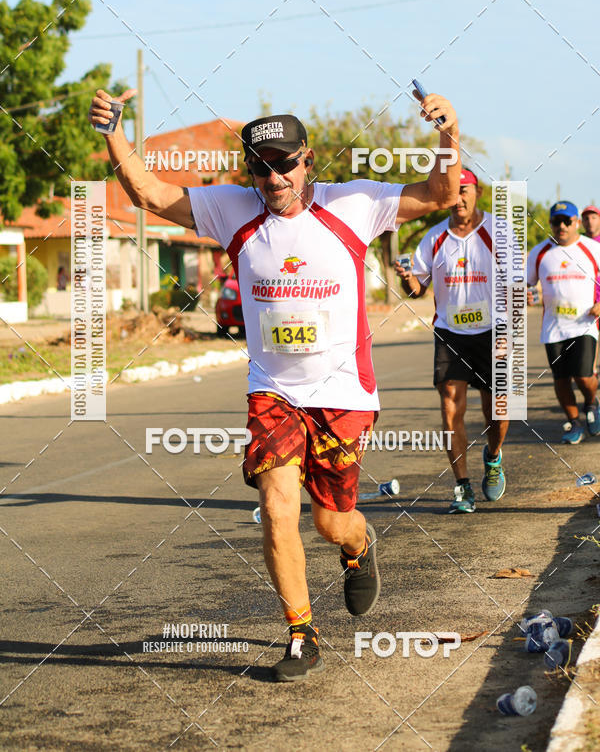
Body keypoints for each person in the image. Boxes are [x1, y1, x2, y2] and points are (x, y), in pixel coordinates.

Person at [89, 86, 460, 681]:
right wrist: (113, 132)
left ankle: (358, 544)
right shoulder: (232, 208)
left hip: (342, 394)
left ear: (307, 158)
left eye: (285, 163)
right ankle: (300, 633)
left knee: (329, 520)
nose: (274, 177)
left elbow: (441, 192)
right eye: (261, 167)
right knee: (276, 503)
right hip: (274, 391)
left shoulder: (355, 203)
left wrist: (447, 134)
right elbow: (151, 194)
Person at [394, 168, 510, 514]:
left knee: (498, 412)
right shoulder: (433, 238)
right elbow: (417, 290)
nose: (458, 198)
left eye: (465, 190)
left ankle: (493, 456)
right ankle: (462, 486)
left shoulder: (498, 232)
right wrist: (407, 278)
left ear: (477, 193)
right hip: (450, 331)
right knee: (450, 407)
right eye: (452, 192)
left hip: (493, 331)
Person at [527, 201, 600, 443]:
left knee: (584, 375)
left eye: (567, 221)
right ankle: (574, 422)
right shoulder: (540, 253)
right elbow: (526, 286)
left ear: (576, 222)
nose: (562, 226)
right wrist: (526, 295)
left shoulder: (592, 248)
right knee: (561, 379)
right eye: (557, 221)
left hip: (584, 325)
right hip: (553, 328)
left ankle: (592, 402)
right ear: (550, 223)